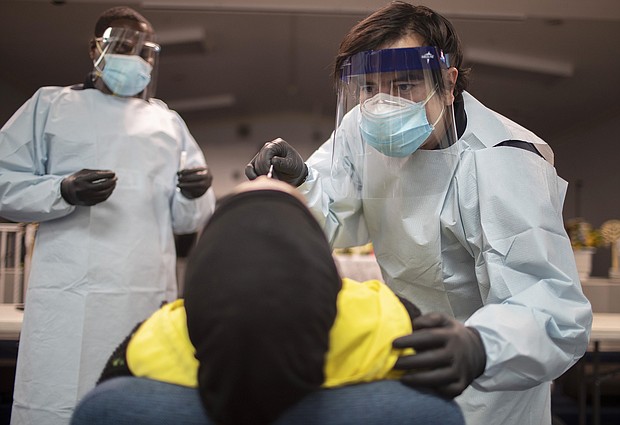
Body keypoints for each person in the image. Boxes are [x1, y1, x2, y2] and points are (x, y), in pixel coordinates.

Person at [244, 2, 592, 424]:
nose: (381, 105)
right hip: (406, 367)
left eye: (404, 85)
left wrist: (481, 347)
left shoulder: (505, 161)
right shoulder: (361, 130)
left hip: (489, 385)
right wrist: (301, 183)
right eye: (369, 88)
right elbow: (336, 219)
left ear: (448, 84)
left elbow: (553, 309)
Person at [70, 176, 465, 425]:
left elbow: (107, 385)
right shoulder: (379, 310)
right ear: (324, 267)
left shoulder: (160, 329)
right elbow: (445, 374)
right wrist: (472, 346)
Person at [0, 6, 216, 424]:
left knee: (138, 405)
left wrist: (193, 194)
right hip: (68, 298)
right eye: (122, 45)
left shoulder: (167, 122)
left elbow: (188, 219)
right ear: (95, 48)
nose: (133, 56)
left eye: (142, 49)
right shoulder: (51, 106)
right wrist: (59, 190)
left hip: (144, 296)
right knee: (58, 402)